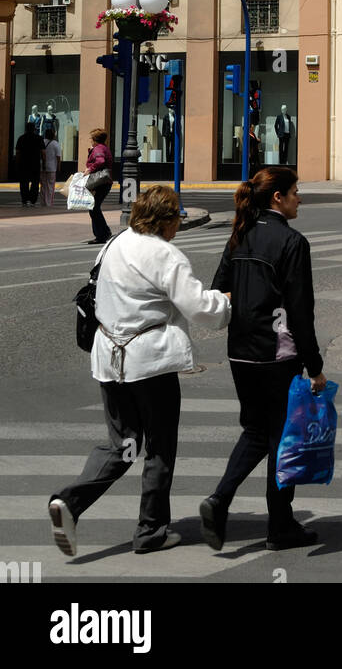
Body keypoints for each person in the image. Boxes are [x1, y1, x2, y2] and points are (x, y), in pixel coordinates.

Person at [48, 187, 231, 557]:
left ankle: (70, 502)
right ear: (165, 220)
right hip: (150, 365)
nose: (179, 224)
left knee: (124, 445)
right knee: (160, 448)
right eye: (177, 217)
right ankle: (150, 531)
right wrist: (224, 303)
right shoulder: (165, 255)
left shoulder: (114, 244)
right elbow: (199, 308)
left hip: (109, 360)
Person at [201, 166, 326, 553]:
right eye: (295, 192)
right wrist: (315, 365)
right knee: (282, 440)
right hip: (278, 356)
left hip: (241, 352)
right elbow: (300, 311)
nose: (299, 199)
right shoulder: (292, 242)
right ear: (278, 198)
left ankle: (220, 499)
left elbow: (218, 290)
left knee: (256, 432)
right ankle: (280, 527)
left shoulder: (239, 236)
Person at [85, 128, 114, 245]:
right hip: (103, 182)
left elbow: (100, 161)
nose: (90, 140)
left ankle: (102, 234)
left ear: (95, 140)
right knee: (94, 207)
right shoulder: (102, 148)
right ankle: (104, 232)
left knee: (94, 208)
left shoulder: (98, 149)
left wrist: (89, 169)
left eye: (91, 138)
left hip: (100, 182)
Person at [15, 125, 42, 206]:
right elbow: (43, 152)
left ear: (26, 129)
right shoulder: (39, 138)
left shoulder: (21, 138)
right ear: (34, 129)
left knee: (24, 183)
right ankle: (32, 201)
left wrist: (17, 163)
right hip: (35, 164)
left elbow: (17, 152)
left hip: (23, 164)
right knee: (35, 183)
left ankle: (24, 200)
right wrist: (44, 163)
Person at [39, 133, 63, 207]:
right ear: (53, 136)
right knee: (50, 186)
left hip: (42, 167)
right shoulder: (55, 144)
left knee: (43, 186)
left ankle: (42, 202)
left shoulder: (42, 142)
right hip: (52, 168)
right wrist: (59, 167)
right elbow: (58, 157)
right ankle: (48, 203)